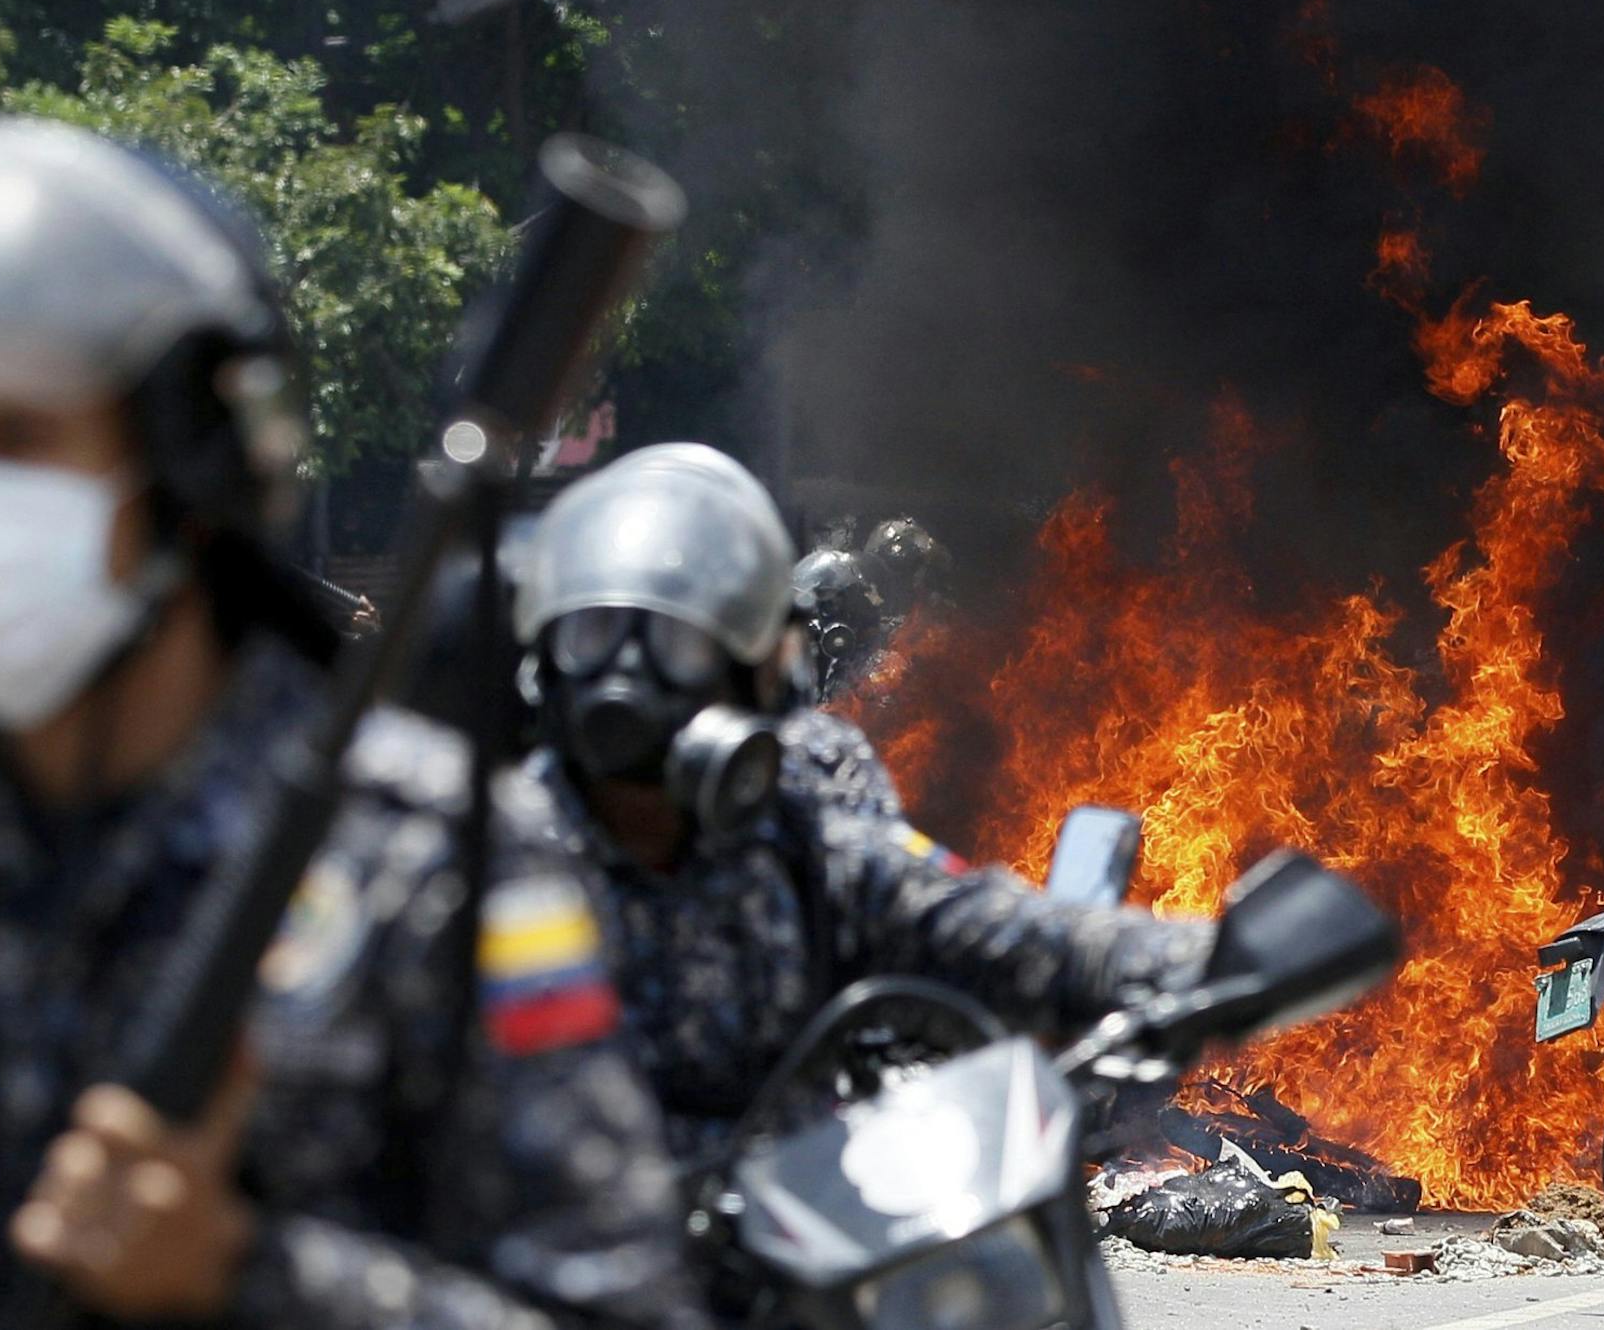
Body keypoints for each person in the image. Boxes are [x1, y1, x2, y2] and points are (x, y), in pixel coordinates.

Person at [0, 117, 704, 1330]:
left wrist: (251, 1272)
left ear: (186, 466)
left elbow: (628, 1310)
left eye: (18, 436)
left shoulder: (432, 869)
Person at [504, 443, 1215, 1164]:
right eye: (592, 636)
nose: (628, 678)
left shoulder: (801, 842)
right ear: (541, 665)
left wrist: (1213, 961)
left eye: (679, 646)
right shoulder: (468, 858)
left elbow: (977, 925)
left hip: (776, 1242)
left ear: (758, 680)